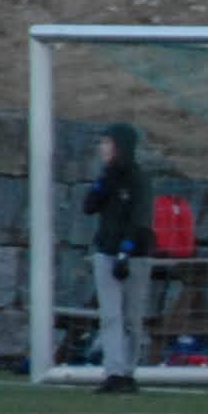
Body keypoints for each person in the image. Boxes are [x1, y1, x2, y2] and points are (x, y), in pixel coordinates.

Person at [81, 123, 146, 392]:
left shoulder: (138, 178)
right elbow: (88, 207)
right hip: (105, 253)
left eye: (108, 142)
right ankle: (113, 373)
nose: (103, 148)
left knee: (132, 318)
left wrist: (126, 251)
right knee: (110, 315)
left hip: (135, 256)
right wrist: (101, 183)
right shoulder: (107, 178)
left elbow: (140, 219)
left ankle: (129, 372)